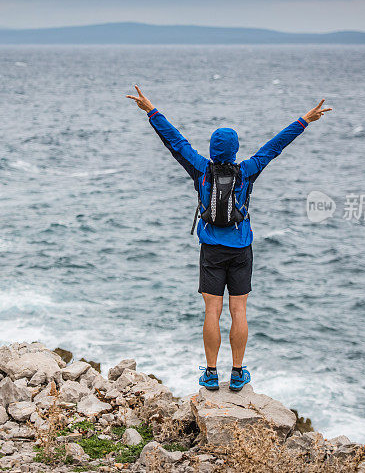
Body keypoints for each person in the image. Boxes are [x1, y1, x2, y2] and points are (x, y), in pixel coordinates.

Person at [126, 85, 331, 391]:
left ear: (211, 149)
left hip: (211, 248)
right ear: (235, 150)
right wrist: (305, 120)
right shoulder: (247, 170)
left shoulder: (201, 170)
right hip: (241, 247)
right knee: (239, 310)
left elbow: (176, 142)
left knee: (212, 311)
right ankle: (237, 373)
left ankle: (210, 373)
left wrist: (151, 111)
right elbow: (275, 146)